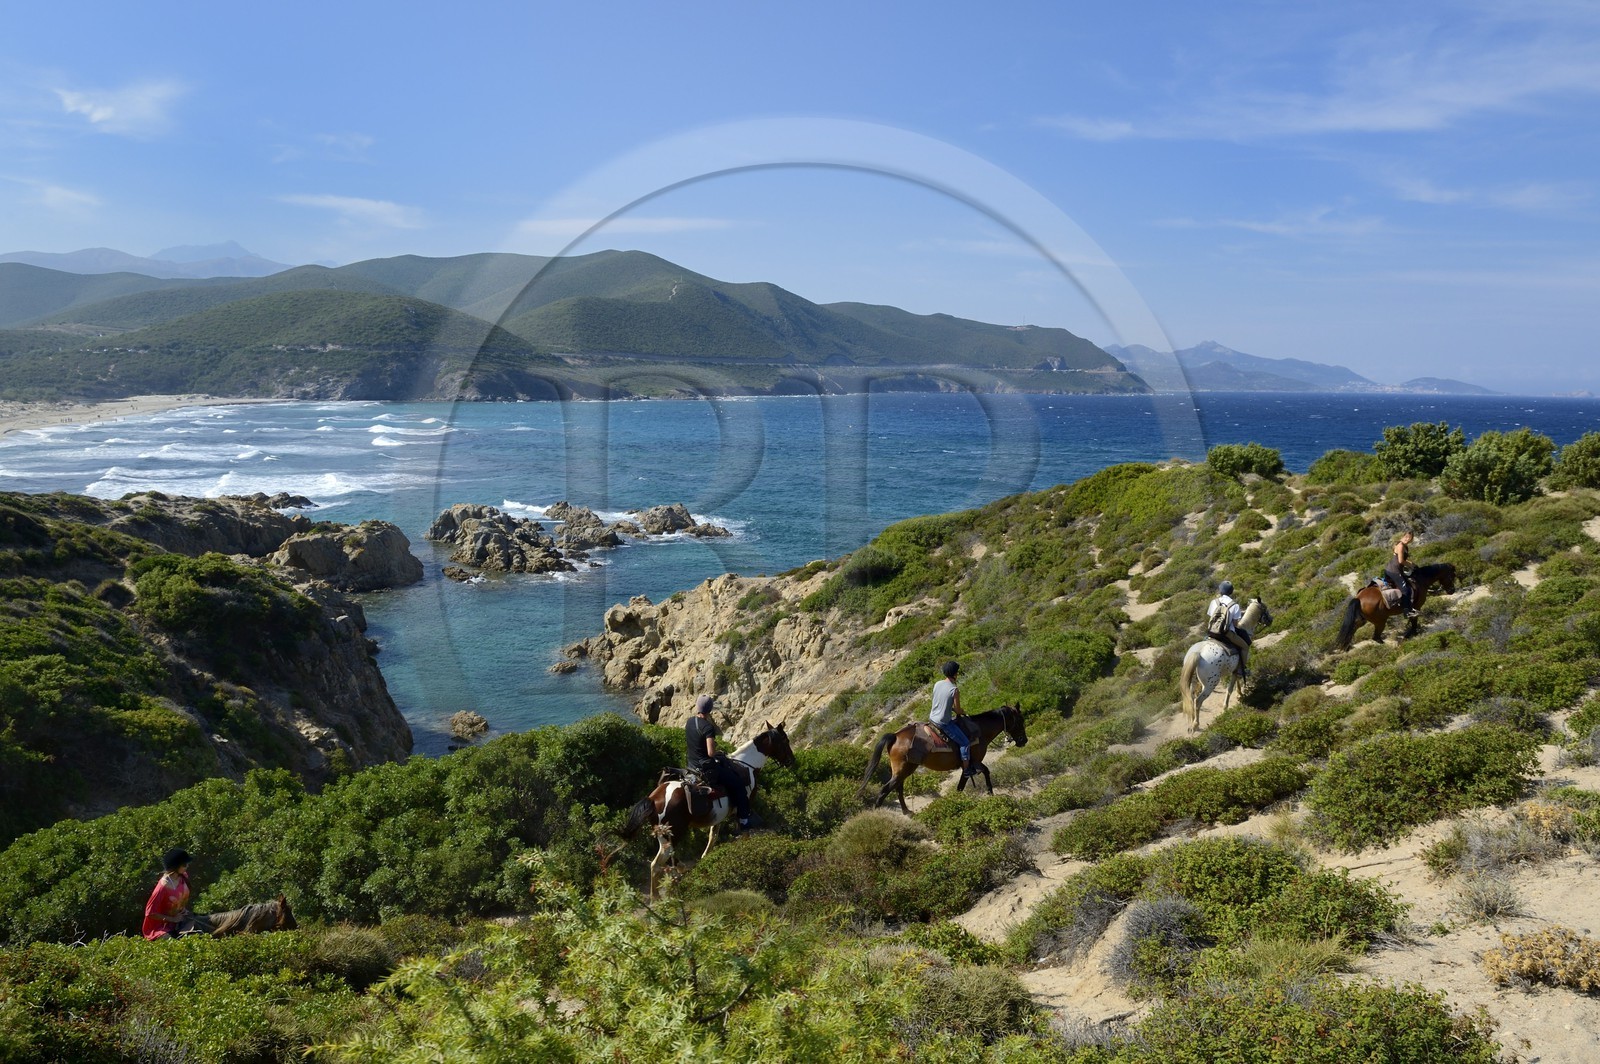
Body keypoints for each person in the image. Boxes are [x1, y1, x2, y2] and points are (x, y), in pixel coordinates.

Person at [685, 694, 760, 830]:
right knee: (738, 784)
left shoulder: (690, 721)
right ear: (710, 709)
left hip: (691, 766)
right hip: (706, 770)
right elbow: (710, 753)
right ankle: (744, 820)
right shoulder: (708, 727)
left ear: (698, 707)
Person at [930, 661, 976, 779]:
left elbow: (939, 700)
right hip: (943, 722)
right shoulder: (954, 690)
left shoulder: (937, 683)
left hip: (932, 718)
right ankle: (966, 770)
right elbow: (958, 710)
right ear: (955, 674)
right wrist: (962, 712)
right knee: (965, 743)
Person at [143, 848, 198, 941]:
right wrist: (173, 919)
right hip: (161, 927)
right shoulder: (162, 888)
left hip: (181, 918)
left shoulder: (183, 877)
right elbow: (150, 913)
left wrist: (182, 911)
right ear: (175, 866)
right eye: (184, 864)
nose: (187, 866)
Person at [1205, 580, 1252, 682]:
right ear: (1231, 591)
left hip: (1212, 632)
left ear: (1220, 590)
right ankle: (1240, 669)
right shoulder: (1234, 605)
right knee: (1245, 647)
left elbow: (1210, 617)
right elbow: (1235, 625)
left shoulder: (1214, 602)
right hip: (1226, 634)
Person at [1386, 532, 1419, 618]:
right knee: (1405, 589)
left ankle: (1410, 607)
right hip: (1394, 570)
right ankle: (1406, 611)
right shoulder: (1400, 546)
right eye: (1406, 537)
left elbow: (1403, 559)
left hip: (1398, 569)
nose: (1408, 539)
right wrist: (1410, 565)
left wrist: (1411, 563)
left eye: (1410, 538)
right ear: (1403, 536)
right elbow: (1400, 561)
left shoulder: (1405, 546)